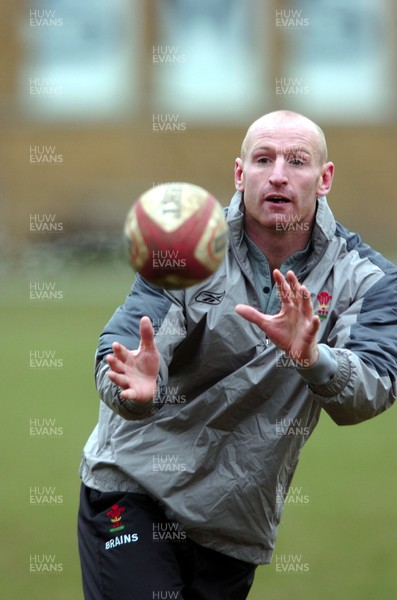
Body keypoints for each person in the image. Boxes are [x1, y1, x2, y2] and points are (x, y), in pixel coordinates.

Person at [78, 110, 397, 599]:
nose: (278, 175)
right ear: (239, 173)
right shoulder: (185, 250)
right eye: (263, 159)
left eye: (297, 161)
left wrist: (315, 359)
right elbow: (119, 351)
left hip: (233, 518)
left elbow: (371, 390)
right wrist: (133, 391)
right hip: (133, 485)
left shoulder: (368, 279)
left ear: (325, 177)